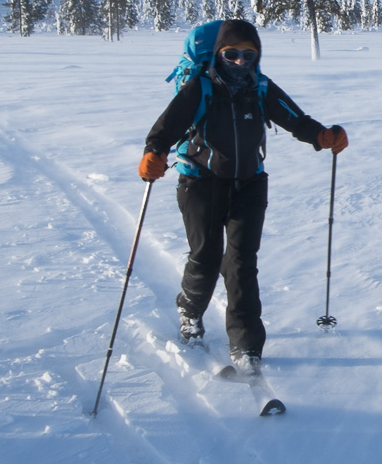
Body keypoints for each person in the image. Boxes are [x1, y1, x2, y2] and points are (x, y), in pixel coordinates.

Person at [137, 19, 347, 375]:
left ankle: (247, 343)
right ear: (219, 54)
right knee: (206, 256)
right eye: (231, 54)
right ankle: (190, 311)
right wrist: (153, 153)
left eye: (248, 54)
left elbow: (295, 119)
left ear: (257, 56)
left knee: (241, 264)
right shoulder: (199, 87)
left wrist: (323, 136)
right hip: (200, 184)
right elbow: (164, 130)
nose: (239, 61)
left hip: (250, 184)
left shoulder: (260, 88)